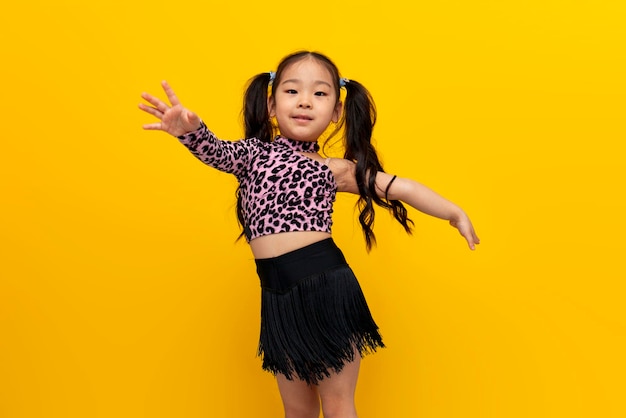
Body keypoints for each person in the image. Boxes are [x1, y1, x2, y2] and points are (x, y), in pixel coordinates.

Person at [139, 51, 479, 418]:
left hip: (327, 290)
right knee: (297, 410)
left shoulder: (334, 169)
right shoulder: (253, 155)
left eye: (319, 94)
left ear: (336, 111)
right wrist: (190, 131)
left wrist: (453, 212)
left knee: (336, 405)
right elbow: (217, 152)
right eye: (291, 91)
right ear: (271, 104)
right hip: (277, 297)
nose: (304, 101)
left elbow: (402, 188)